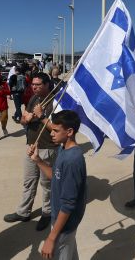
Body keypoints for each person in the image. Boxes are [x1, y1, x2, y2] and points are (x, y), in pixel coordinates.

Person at [28, 110, 87, 260]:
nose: (51, 133)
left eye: (55, 130)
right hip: (61, 221)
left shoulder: (72, 160)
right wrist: (38, 161)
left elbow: (68, 204)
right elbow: (55, 177)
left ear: (69, 132)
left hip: (65, 225)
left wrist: (51, 238)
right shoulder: (63, 148)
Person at [4, 72, 58, 231]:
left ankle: (47, 213)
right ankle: (24, 212)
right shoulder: (34, 98)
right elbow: (24, 118)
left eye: (38, 85)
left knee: (46, 184)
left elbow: (56, 129)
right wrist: (24, 120)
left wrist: (41, 116)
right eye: (33, 84)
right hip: (32, 145)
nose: (34, 87)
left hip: (47, 148)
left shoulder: (55, 101)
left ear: (47, 84)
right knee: (29, 181)